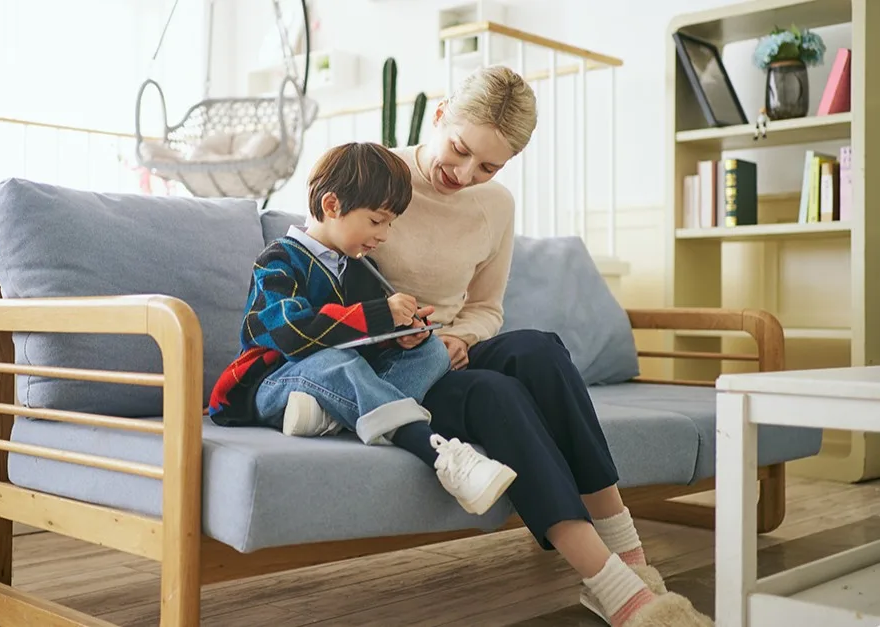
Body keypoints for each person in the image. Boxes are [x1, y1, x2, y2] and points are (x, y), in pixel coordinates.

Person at [368, 66, 715, 627]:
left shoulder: (495, 206)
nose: (464, 173)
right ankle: (617, 587)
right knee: (498, 393)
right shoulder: (372, 173)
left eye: (487, 166)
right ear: (438, 115)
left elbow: (486, 308)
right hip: (386, 369)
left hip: (450, 352)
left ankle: (627, 553)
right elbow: (319, 275)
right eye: (458, 151)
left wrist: (462, 336)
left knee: (540, 350)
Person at [207, 141, 517, 516]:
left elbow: (366, 346)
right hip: (270, 385)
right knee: (334, 364)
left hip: (331, 380)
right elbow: (290, 332)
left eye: (390, 223)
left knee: (432, 352)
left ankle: (328, 416)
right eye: (376, 220)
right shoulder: (277, 260)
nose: (384, 234)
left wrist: (402, 339)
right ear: (332, 206)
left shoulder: (359, 268)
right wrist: (376, 315)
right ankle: (439, 452)